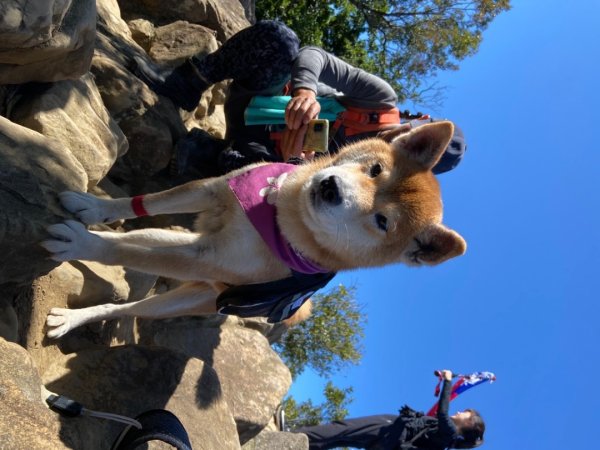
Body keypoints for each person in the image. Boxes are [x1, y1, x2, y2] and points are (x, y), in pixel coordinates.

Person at [134, 20, 467, 179]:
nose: (414, 146)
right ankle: (189, 84)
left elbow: (311, 200)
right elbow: (313, 55)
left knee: (263, 180)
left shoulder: (375, 179)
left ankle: (209, 156)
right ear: (422, 121)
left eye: (422, 155)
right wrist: (306, 90)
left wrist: (295, 164)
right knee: (280, 40)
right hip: (259, 99)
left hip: (260, 153)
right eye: (425, 140)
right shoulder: (379, 100)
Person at [289, 370, 485, 450]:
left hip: (390, 429)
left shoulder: (449, 432)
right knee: (342, 438)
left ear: (469, 422)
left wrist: (449, 380)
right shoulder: (445, 440)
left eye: (466, 412)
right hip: (389, 441)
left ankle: (293, 437)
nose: (460, 412)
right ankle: (300, 443)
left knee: (342, 429)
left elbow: (442, 412)